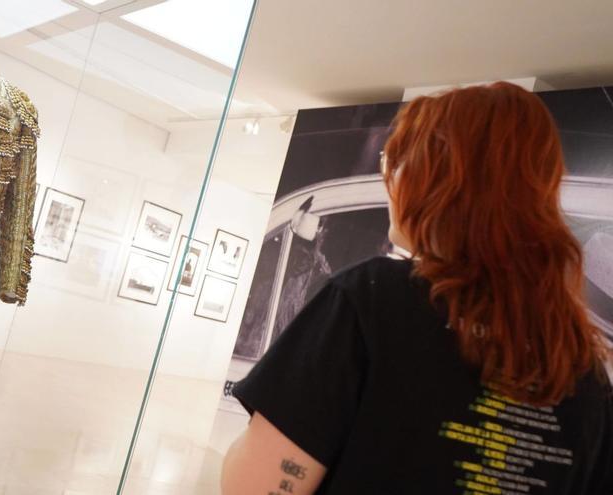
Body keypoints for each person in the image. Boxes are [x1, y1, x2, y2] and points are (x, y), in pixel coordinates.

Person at [221, 82, 613, 494]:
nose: (389, 176)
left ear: (435, 178)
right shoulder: (581, 368)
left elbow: (254, 487)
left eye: (396, 159)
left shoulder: (372, 302)